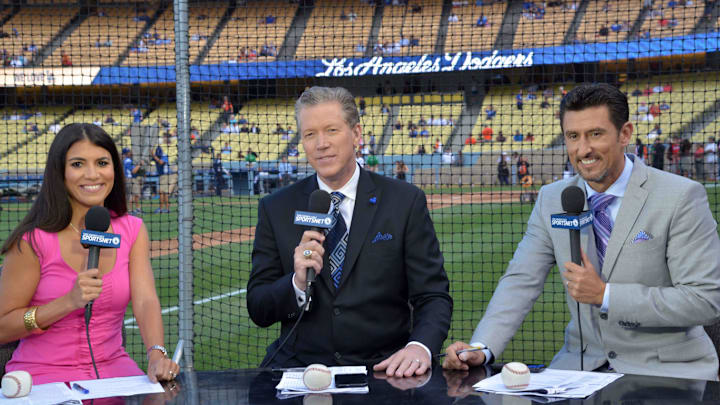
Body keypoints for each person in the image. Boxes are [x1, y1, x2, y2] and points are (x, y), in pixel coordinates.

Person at [442, 83, 720, 381]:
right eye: (573, 136)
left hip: (667, 372)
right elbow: (521, 280)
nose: (582, 149)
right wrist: (482, 347)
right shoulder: (553, 199)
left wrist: (606, 295)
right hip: (578, 369)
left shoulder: (680, 196)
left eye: (595, 134)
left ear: (625, 133)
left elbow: (705, 300)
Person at [247, 87, 452, 375]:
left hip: (384, 369)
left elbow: (432, 295)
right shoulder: (276, 208)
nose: (321, 144)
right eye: (310, 134)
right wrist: (296, 282)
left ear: (356, 134)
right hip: (300, 370)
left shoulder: (404, 201)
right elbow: (258, 308)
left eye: (331, 130)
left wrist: (420, 346)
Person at [0, 123, 179, 384]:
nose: (93, 174)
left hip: (116, 373)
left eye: (102, 163)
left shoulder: (132, 229)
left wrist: (156, 354)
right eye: (78, 164)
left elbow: (145, 301)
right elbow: (3, 326)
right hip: (42, 378)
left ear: (114, 169)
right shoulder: (32, 241)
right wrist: (67, 302)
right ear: (59, 171)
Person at [152, 134, 174, 213]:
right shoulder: (160, 154)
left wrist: (154, 156)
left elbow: (161, 162)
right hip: (163, 175)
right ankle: (166, 209)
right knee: (163, 193)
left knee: (162, 192)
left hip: (165, 175)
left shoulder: (163, 155)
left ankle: (162, 209)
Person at [122, 147, 144, 215]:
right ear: (126, 153)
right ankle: (131, 211)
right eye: (129, 152)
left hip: (128, 179)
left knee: (135, 195)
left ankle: (136, 209)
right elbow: (133, 171)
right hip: (129, 179)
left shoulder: (126, 160)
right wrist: (140, 165)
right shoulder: (128, 160)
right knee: (132, 195)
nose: (130, 153)